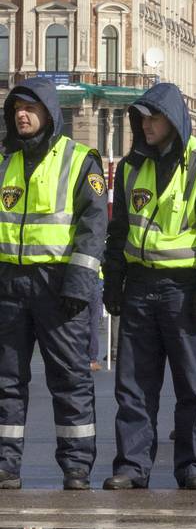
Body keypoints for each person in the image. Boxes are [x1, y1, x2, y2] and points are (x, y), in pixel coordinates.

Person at [102, 82, 196, 490]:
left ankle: (195, 466)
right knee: (133, 386)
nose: (146, 125)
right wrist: (114, 282)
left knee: (193, 386)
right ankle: (131, 466)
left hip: (185, 287)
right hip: (140, 286)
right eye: (142, 118)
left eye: (154, 117)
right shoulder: (130, 166)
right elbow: (119, 231)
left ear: (173, 120)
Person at [0, 80, 108, 491]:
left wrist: (79, 284)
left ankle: (77, 467)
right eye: (16, 109)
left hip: (60, 287)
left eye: (29, 108)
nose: (21, 116)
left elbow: (92, 225)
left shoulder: (80, 160)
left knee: (70, 378)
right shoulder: (6, 160)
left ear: (48, 112)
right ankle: (6, 465)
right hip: (10, 285)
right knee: (6, 381)